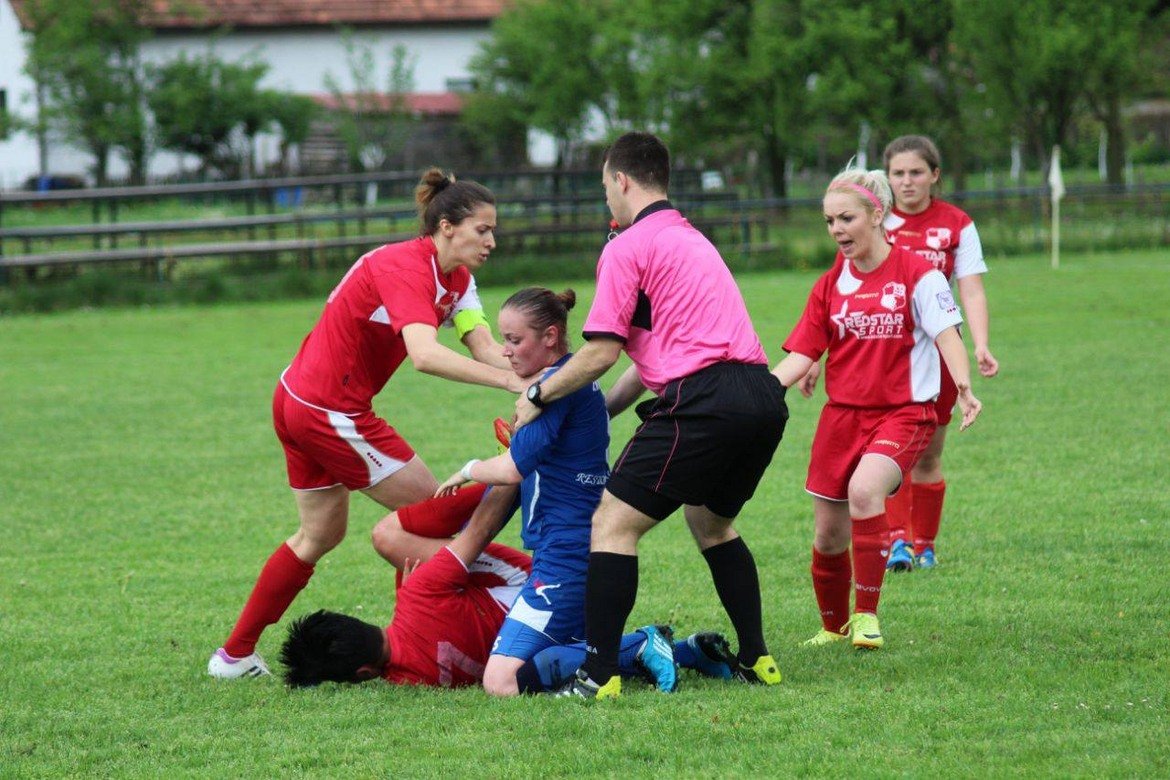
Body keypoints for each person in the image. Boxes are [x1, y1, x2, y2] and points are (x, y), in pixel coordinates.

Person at [208, 168, 528, 679]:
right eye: (482, 230)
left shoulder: (459, 280)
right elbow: (424, 355)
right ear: (446, 226)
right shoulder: (405, 266)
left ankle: (234, 655)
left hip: (299, 400)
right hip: (329, 411)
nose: (492, 241)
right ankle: (504, 585)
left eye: (493, 231)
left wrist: (543, 378)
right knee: (434, 510)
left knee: (319, 535)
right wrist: (513, 389)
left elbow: (485, 348)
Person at [514, 132, 788, 699]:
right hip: (761, 397)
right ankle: (758, 658)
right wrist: (607, 409)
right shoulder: (692, 240)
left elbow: (599, 351)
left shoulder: (626, 246)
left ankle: (598, 676)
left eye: (604, 188)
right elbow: (653, 350)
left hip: (705, 400)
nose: (606, 200)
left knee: (611, 525)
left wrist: (538, 396)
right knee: (710, 522)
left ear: (621, 181)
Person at [771, 166, 982, 650]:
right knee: (827, 535)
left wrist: (965, 387)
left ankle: (867, 617)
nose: (836, 230)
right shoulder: (828, 285)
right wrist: (760, 389)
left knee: (866, 491)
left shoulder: (919, 275)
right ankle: (832, 625)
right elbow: (803, 352)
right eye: (828, 221)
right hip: (841, 417)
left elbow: (948, 332)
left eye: (846, 218)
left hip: (904, 414)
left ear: (877, 215)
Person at [280, 484, 739, 692]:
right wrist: (512, 474)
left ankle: (641, 646)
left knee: (523, 674)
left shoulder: (408, 678)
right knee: (527, 672)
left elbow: (472, 538)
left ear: (364, 674)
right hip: (553, 596)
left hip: (549, 591)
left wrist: (515, 469)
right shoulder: (416, 595)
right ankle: (685, 651)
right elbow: (477, 533)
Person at [428, 286, 620, 696]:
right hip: (575, 545)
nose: (506, 352)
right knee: (556, 655)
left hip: (565, 555)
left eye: (515, 341)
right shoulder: (566, 378)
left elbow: (512, 469)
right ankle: (674, 651)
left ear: (549, 336)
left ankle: (641, 646)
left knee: (500, 681)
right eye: (505, 340)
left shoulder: (553, 389)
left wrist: (467, 470)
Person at [881, 135, 999, 570]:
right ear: (887, 178)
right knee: (891, 449)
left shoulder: (956, 223)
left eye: (916, 172)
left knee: (928, 453)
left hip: (940, 351)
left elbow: (970, 286)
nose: (907, 181)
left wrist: (981, 343)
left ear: (934, 175)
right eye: (898, 173)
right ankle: (896, 543)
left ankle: (924, 546)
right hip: (887, 352)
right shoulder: (876, 221)